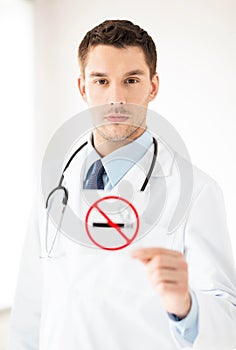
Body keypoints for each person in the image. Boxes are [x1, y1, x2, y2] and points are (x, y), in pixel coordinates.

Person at [7, 19, 236, 350]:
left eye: (131, 80)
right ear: (83, 88)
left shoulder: (196, 192)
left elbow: (228, 322)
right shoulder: (53, 186)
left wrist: (186, 306)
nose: (116, 98)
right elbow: (30, 310)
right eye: (101, 81)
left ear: (153, 87)